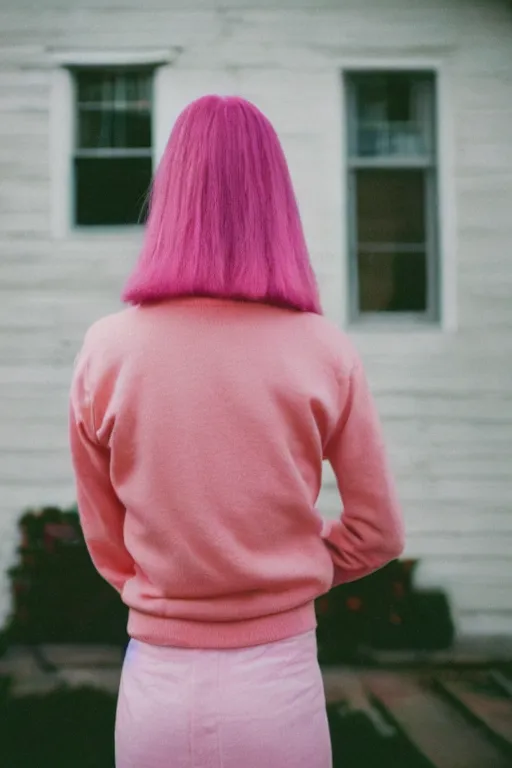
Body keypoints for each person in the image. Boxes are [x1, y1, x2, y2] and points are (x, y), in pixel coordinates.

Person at [69, 95, 405, 768]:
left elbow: (106, 543)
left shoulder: (107, 349)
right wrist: (286, 574)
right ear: (275, 203)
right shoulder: (323, 349)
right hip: (277, 685)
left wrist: (178, 585)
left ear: (170, 195)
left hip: (156, 689)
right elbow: (378, 533)